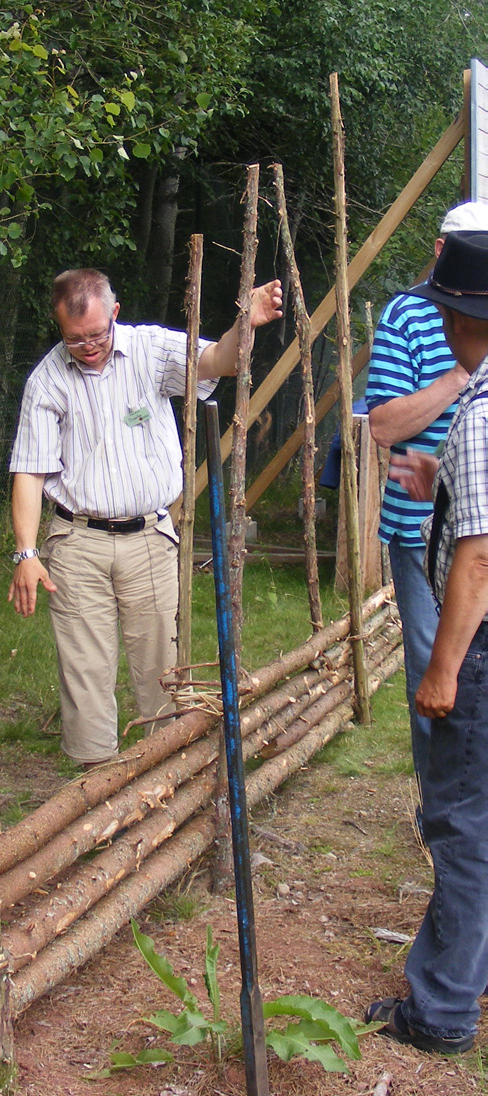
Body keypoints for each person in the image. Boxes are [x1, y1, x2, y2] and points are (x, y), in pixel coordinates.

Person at [8, 267, 283, 766]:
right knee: (85, 666)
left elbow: (217, 360)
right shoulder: (47, 380)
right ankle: (96, 778)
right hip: (76, 541)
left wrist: (247, 323)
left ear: (114, 313)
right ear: (58, 328)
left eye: (96, 334)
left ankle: (166, 766)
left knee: (162, 661)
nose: (88, 346)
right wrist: (27, 553)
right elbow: (28, 471)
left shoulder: (150, 350)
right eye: (75, 340)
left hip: (151, 537)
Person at [366, 229, 488, 1053]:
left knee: (459, 820)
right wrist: (435, 476)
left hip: (478, 648)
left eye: (443, 309)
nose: (435, 322)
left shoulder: (477, 414)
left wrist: (442, 671)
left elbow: (477, 562)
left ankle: (441, 1007)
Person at [365, 200, 488, 785]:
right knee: (434, 674)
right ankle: (440, 809)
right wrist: (461, 376)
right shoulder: (409, 316)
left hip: (476, 528)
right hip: (422, 527)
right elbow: (384, 427)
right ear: (442, 252)